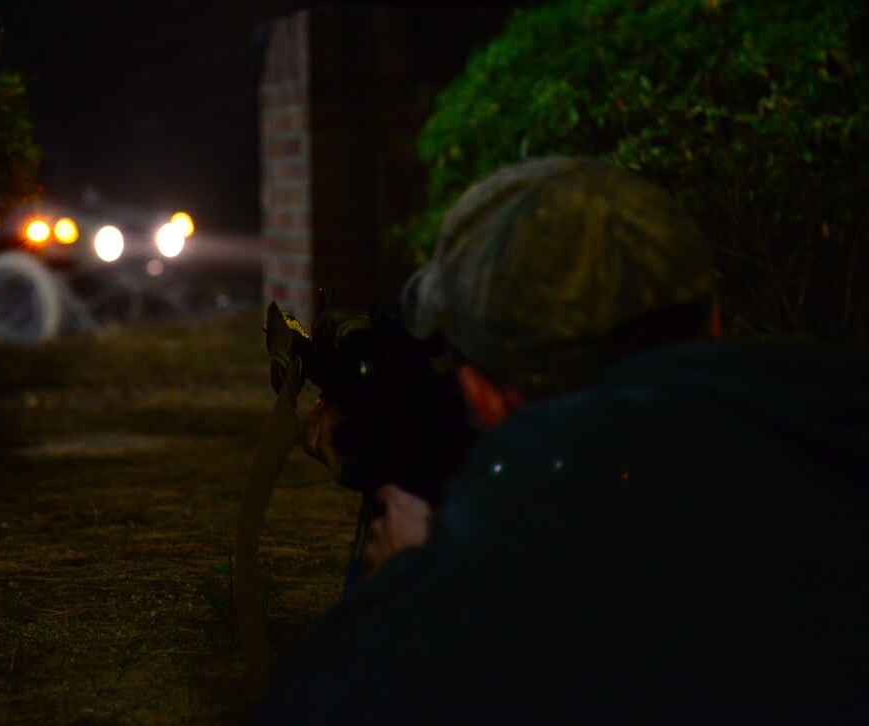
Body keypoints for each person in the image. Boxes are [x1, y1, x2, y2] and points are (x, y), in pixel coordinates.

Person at [250, 156, 869, 723]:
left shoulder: (499, 596)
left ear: (482, 394)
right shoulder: (824, 430)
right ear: (713, 321)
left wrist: (406, 583)